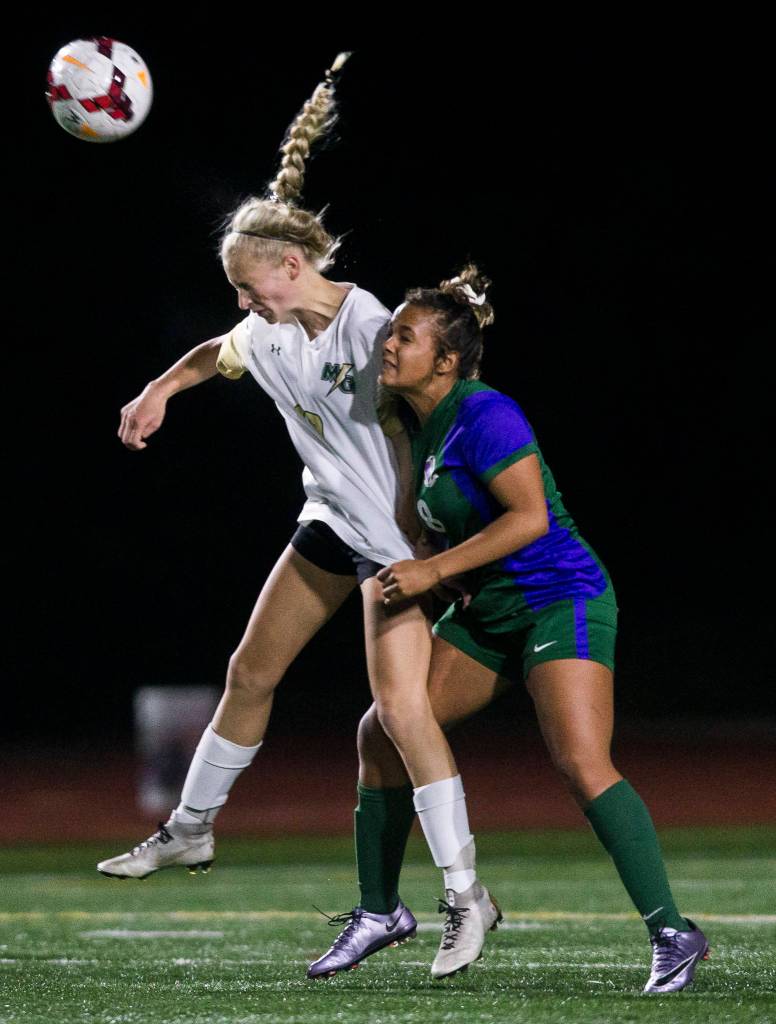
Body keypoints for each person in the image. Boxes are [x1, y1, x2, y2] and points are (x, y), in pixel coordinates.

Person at [96, 55, 499, 982]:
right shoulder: (268, 327)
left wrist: (448, 533)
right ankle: (189, 830)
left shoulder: (373, 329)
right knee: (249, 670)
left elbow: (450, 401)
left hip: (392, 547)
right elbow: (216, 348)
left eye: (250, 286)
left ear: (291, 265)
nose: (242, 304)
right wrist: (159, 389)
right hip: (329, 524)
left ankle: (463, 894)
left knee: (400, 714)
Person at [314, 264, 710, 995]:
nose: (389, 345)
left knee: (582, 764)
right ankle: (379, 910)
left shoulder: (484, 411)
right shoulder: (422, 430)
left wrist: (432, 575)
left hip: (561, 598)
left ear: (449, 359)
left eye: (405, 335)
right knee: (384, 729)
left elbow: (529, 519)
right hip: (491, 614)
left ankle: (673, 932)